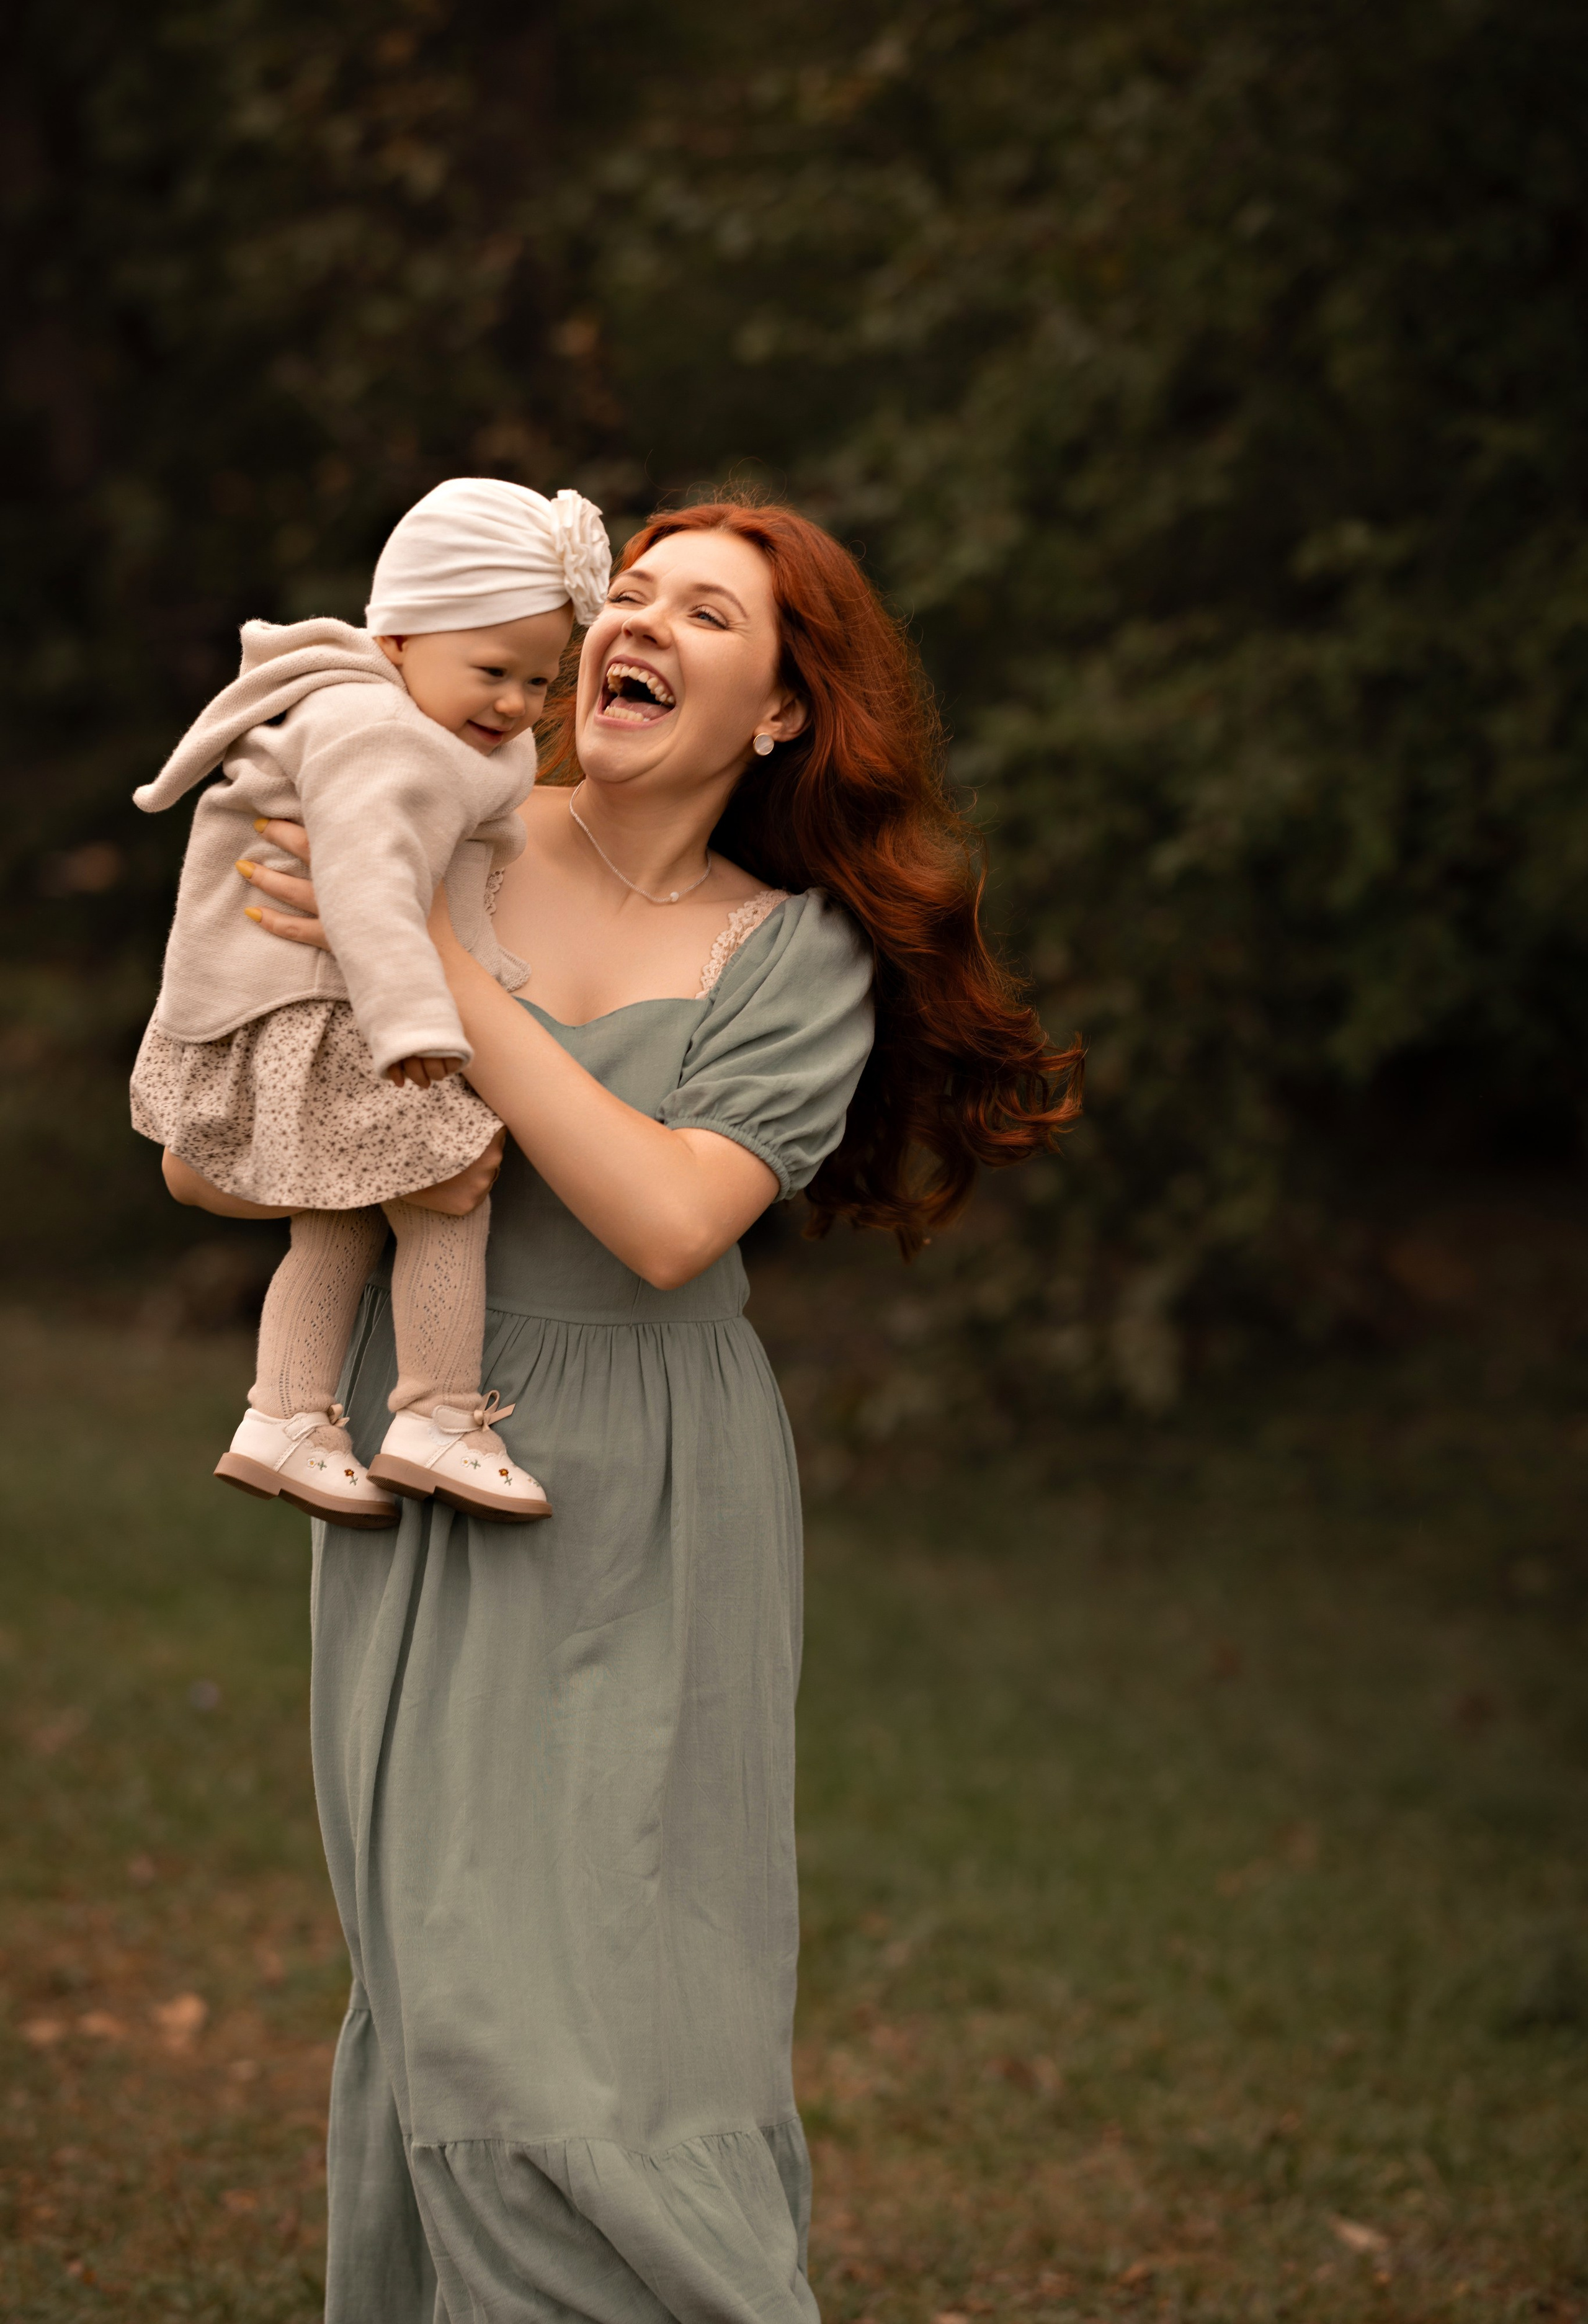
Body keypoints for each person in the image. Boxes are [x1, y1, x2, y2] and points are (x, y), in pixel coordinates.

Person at [166, 498, 1082, 2323]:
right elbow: (221, 1161)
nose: (636, 619)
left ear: (781, 712)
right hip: (423, 1449)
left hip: (656, 1474)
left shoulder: (792, 949)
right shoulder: (435, 806)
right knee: (456, 1974)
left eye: (706, 610)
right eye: (631, 590)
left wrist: (422, 955)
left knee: (630, 1976)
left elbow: (670, 1217)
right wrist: (375, 923)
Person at [133, 478, 610, 1524]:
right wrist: (419, 1027)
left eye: (540, 679)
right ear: (398, 637)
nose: (518, 706)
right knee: (449, 1196)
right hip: (339, 1014)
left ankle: (285, 1415)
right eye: (493, 671)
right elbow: (365, 888)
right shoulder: (378, 733)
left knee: (338, 1221)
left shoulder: (415, 716)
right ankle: (436, 1413)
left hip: (307, 1012)